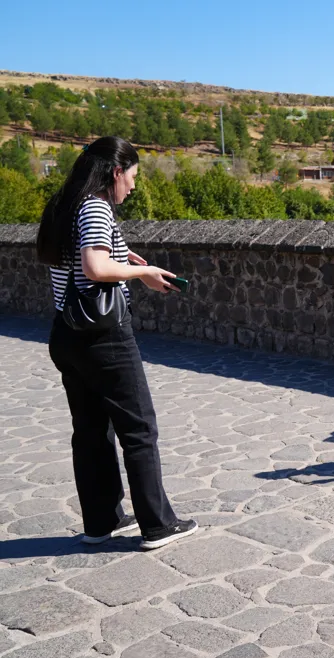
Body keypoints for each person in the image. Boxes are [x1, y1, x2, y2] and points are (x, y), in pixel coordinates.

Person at [35, 136, 198, 550]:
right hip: (103, 338)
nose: (134, 185)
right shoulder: (95, 206)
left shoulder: (64, 204)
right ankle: (158, 525)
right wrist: (143, 273)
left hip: (66, 334)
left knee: (90, 430)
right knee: (139, 428)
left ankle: (101, 521)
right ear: (115, 171)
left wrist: (125, 259)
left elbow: (80, 260)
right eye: (133, 176)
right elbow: (94, 266)